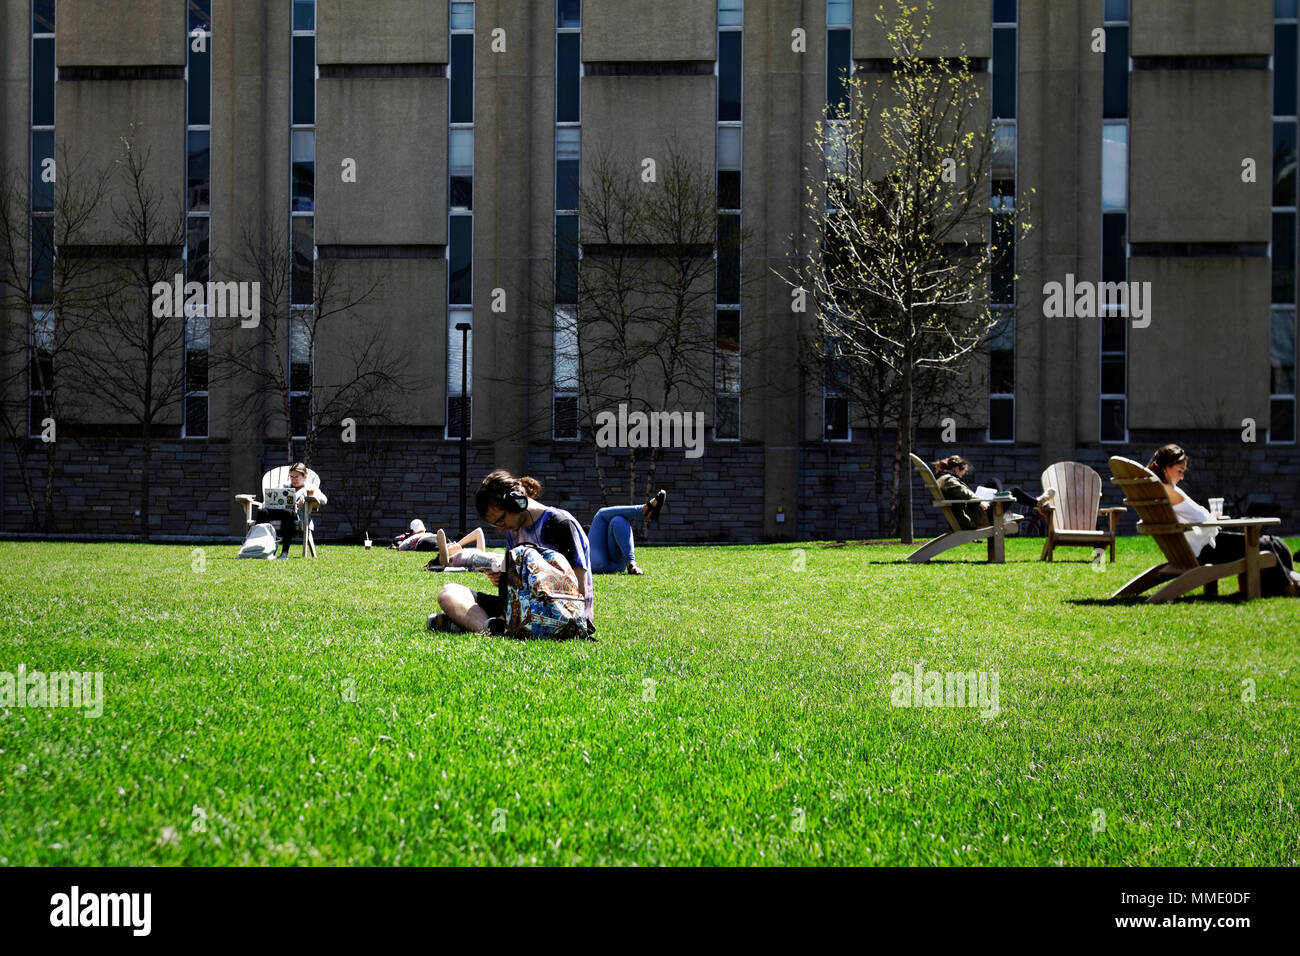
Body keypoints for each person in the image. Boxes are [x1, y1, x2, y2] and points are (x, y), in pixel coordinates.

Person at [429, 471, 593, 634]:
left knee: (456, 610)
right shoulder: (513, 531)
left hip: (557, 612)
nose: (500, 528)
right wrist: (503, 577)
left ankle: (476, 624)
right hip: (518, 607)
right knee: (449, 593)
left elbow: (579, 587)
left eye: (501, 520)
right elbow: (512, 587)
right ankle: (491, 627)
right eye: (495, 525)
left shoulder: (561, 523)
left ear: (517, 503)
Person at [1147, 443, 1300, 597]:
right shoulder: (1168, 491)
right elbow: (1200, 518)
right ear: (1166, 467)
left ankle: (1291, 579)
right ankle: (1289, 587)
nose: (1182, 476)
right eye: (1179, 471)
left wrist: (1209, 518)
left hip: (1193, 548)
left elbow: (1195, 518)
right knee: (1263, 545)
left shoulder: (1157, 490)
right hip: (1205, 551)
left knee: (1273, 542)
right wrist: (1211, 518)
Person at [932, 455, 1052, 531]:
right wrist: (979, 501)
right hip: (979, 518)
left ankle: (1002, 509)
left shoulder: (945, 478)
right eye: (962, 473)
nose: (962, 476)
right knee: (1014, 490)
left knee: (993, 481)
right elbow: (962, 491)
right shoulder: (948, 480)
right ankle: (1037, 503)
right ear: (956, 469)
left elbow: (961, 492)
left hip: (976, 513)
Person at [256, 462, 326, 559]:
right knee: (262, 512)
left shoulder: (309, 488)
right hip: (278, 512)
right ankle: (258, 549)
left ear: (304, 476)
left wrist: (306, 497)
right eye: (291, 477)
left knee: (287, 513)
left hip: (296, 516)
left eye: (296, 477)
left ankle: (284, 553)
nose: (293, 480)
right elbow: (271, 498)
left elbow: (324, 500)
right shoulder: (284, 486)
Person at [588, 490, 666, 575]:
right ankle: (643, 510)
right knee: (601, 514)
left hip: (612, 564)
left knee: (617, 520)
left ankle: (631, 565)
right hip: (596, 564)